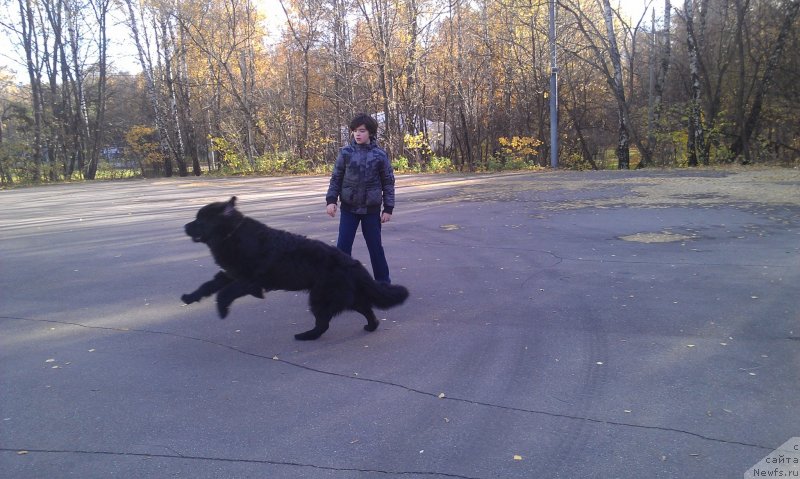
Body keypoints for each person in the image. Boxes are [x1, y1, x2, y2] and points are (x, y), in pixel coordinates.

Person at [326, 113, 395, 284]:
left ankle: (383, 283)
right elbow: (336, 178)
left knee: (375, 248)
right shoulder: (345, 153)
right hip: (349, 209)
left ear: (370, 133)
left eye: (362, 131)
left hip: (371, 211)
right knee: (342, 248)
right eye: (355, 131)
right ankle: (339, 283)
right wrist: (331, 200)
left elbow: (388, 182)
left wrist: (388, 208)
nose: (358, 134)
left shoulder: (380, 155)